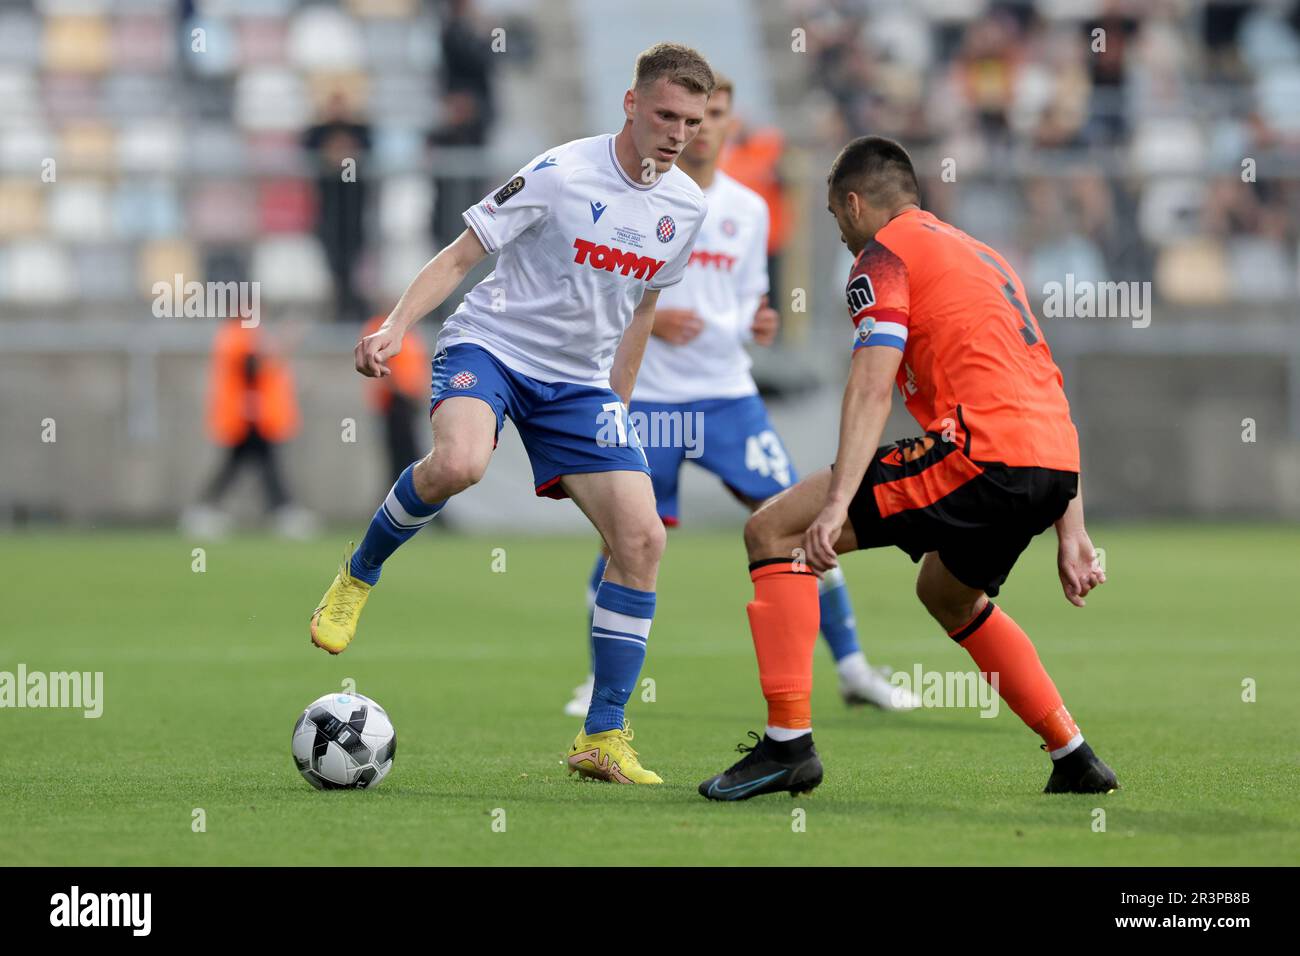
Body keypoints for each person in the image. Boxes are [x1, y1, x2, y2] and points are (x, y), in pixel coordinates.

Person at [309, 43, 715, 786]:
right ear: (631, 104)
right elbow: (463, 256)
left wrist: (615, 408)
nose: (677, 131)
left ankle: (603, 738)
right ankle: (358, 574)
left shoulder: (686, 207)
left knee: (643, 538)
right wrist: (396, 325)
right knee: (460, 463)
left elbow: (642, 312)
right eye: (664, 114)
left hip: (580, 386)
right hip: (493, 346)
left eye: (690, 120)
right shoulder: (562, 172)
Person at [699, 136, 1118, 801]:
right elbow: (1045, 380)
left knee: (774, 530)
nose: (838, 233)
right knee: (946, 595)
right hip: (1050, 463)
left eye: (837, 216)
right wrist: (1073, 527)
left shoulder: (883, 258)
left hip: (980, 455)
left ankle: (788, 746)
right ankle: (1073, 754)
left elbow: (871, 384)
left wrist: (836, 504)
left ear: (855, 202)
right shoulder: (985, 257)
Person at [563, 76, 917, 718]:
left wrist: (759, 318)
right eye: (694, 118)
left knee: (810, 522)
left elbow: (748, 293)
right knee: (623, 541)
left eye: (717, 115)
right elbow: (600, 288)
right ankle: (597, 681)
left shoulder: (750, 210)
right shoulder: (635, 200)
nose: (702, 128)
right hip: (650, 399)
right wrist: (653, 319)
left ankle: (854, 668)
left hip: (727, 397)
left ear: (730, 125)